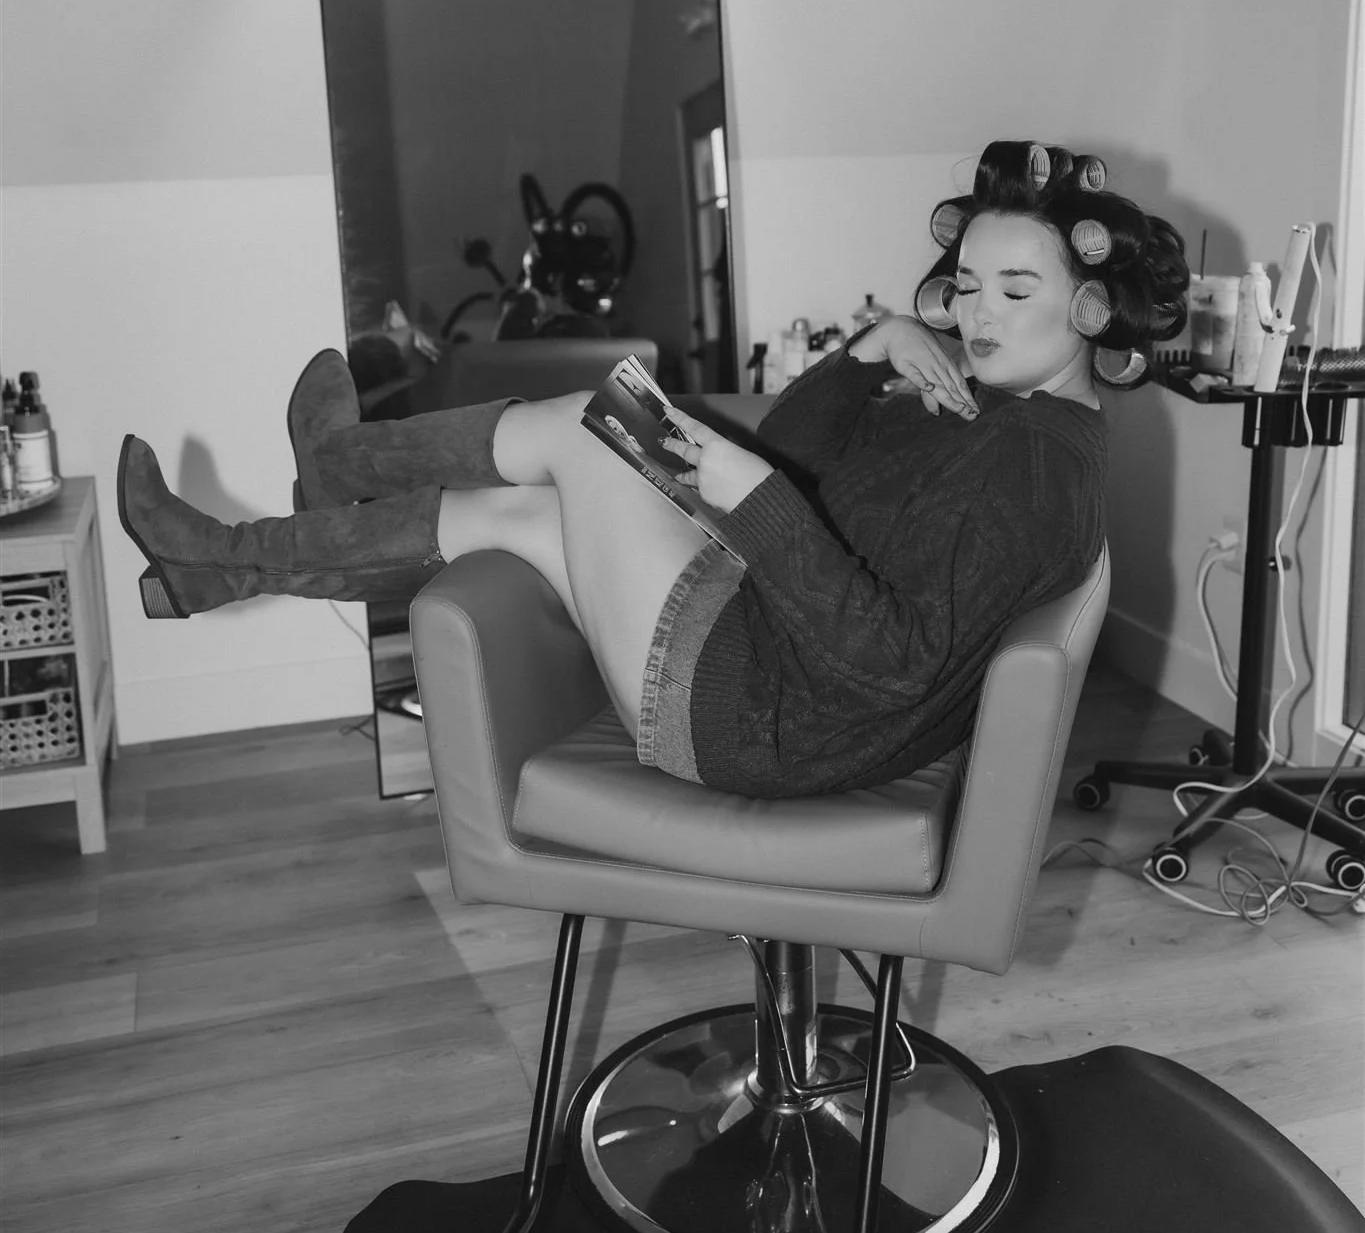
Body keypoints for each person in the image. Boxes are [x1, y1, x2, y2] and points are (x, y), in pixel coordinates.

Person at [118, 140, 1188, 799]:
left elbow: (891, 654)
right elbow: (803, 457)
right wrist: (870, 351)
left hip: (757, 715)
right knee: (519, 509)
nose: (981, 315)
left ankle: (330, 469)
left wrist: (748, 499)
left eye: (1016, 290)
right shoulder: (1002, 410)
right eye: (968, 286)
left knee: (595, 424)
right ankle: (224, 562)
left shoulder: (1034, 470)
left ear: (1093, 308)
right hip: (766, 648)